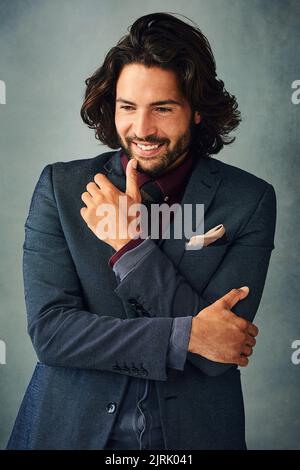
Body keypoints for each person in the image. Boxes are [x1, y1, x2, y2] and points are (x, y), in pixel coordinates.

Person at [6, 12, 276, 450]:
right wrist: (186, 334)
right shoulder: (61, 187)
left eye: (163, 109)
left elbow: (221, 351)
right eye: (127, 108)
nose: (142, 129)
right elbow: (52, 334)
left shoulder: (250, 199)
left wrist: (130, 245)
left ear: (197, 112)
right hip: (69, 432)